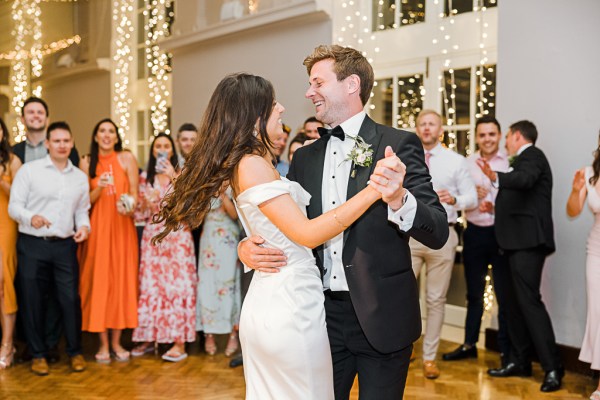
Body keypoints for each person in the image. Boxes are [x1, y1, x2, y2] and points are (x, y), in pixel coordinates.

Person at [238, 45, 449, 399]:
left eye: (318, 82)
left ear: (351, 84)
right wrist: (247, 246)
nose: (309, 93)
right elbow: (286, 224)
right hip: (317, 318)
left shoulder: (397, 144)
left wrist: (398, 198)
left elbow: (438, 231)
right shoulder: (304, 157)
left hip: (382, 317)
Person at [479, 120, 563, 392]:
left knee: (529, 302)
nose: (505, 143)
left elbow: (524, 180)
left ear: (516, 136)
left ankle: (553, 368)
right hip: (513, 244)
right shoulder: (524, 160)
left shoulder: (533, 156)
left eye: (507, 138)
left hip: (528, 244)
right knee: (512, 303)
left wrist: (496, 177)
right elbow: (521, 193)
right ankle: (520, 360)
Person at [8, 121, 89, 375]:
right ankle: (38, 354)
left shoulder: (79, 177)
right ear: (47, 144)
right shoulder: (29, 171)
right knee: (32, 301)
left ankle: (75, 352)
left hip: (64, 246)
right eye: (57, 141)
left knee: (69, 299)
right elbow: (14, 207)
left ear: (72, 143)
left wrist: (85, 227)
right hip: (32, 244)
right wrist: (30, 217)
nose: (62, 145)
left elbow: (82, 211)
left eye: (66, 141)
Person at [409, 109, 477, 379]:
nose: (426, 128)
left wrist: (456, 200)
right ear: (417, 129)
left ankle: (429, 357)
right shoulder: (407, 156)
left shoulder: (455, 161)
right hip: (410, 233)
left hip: (444, 235)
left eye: (431, 124)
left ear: (440, 130)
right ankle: (405, 346)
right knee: (402, 295)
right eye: (422, 124)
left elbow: (471, 197)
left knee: (436, 299)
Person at [442, 116, 511, 366]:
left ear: (499, 135)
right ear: (477, 137)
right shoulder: (467, 163)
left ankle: (506, 351)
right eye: (482, 135)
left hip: (501, 235)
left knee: (503, 294)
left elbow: (516, 196)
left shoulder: (509, 163)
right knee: (474, 294)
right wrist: (471, 195)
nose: (487, 139)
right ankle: (470, 344)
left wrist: (496, 200)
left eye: (491, 134)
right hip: (474, 234)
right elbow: (459, 195)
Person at [131, 133, 197, 362]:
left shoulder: (184, 174)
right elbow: (138, 213)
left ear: (172, 150)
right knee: (152, 286)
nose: (161, 149)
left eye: (166, 146)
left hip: (178, 237)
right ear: (152, 151)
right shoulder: (143, 177)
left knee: (178, 287)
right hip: (153, 236)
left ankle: (179, 342)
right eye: (157, 146)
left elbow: (191, 206)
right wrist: (145, 204)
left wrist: (173, 176)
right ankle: (151, 336)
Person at [78, 118, 139, 363]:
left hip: (123, 228)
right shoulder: (86, 161)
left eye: (110, 131)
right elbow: (83, 201)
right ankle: (102, 345)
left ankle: (117, 342)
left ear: (116, 136)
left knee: (121, 284)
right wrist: (99, 188)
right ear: (95, 136)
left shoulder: (126, 158)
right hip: (98, 230)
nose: (106, 135)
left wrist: (129, 205)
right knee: (100, 283)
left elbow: (135, 194)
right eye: (101, 131)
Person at [566, 132, 600, 400]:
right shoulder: (589, 173)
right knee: (598, 317)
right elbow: (573, 211)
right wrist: (577, 190)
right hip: (596, 253)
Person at [196, 186, 241, 357]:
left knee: (228, 286)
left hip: (228, 238)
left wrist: (222, 195)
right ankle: (209, 334)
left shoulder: (232, 181)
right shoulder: (205, 182)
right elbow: (197, 218)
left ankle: (232, 334)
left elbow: (235, 215)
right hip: (208, 238)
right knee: (207, 285)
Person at [0, 117, 22, 369]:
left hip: (5, 224)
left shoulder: (12, 160)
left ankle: (7, 343)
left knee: (4, 281)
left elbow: (17, 198)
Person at [12, 97, 79, 166]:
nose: (36, 116)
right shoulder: (13, 152)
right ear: (22, 119)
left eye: (40, 112)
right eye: (31, 112)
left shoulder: (64, 147)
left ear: (47, 120)